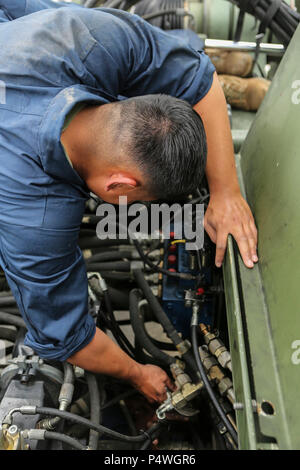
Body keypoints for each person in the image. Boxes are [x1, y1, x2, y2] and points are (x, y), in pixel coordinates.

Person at [0, 0, 258, 403]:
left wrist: (226, 193)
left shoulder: (90, 41)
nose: (136, 211)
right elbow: (67, 338)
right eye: (140, 200)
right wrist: (139, 373)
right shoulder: (35, 219)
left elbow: (197, 77)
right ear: (120, 185)